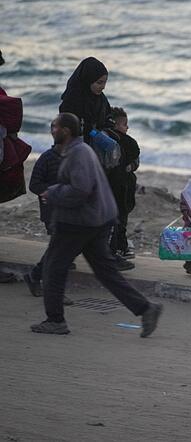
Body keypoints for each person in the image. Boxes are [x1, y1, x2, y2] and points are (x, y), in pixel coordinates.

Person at [29, 113, 162, 336]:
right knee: (106, 272)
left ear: (66, 131)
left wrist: (52, 192)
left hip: (78, 222)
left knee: (53, 268)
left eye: (55, 127)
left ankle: (55, 320)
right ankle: (146, 309)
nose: (52, 130)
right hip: (96, 219)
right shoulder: (79, 151)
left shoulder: (77, 154)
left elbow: (81, 189)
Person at [24, 142, 76, 300]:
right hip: (52, 212)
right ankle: (53, 290)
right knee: (60, 252)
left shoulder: (74, 157)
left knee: (59, 251)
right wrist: (54, 191)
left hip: (69, 211)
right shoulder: (47, 158)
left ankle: (35, 276)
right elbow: (34, 185)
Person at [106, 107, 140, 259]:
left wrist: (130, 166)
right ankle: (118, 247)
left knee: (119, 220)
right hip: (120, 188)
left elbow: (135, 161)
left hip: (121, 187)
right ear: (116, 125)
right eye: (125, 124)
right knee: (119, 221)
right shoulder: (116, 141)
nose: (127, 127)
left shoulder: (126, 142)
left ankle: (120, 246)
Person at [58, 57, 113, 143]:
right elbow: (76, 130)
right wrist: (96, 134)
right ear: (88, 80)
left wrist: (106, 133)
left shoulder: (101, 99)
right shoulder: (71, 101)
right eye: (99, 82)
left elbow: (108, 118)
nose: (103, 87)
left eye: (105, 82)